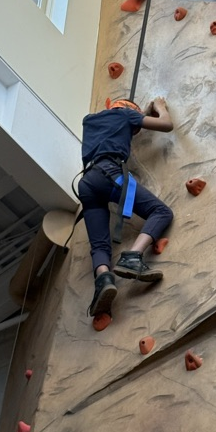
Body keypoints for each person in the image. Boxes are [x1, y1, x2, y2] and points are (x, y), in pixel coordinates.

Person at [78, 96, 174, 318]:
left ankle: (103, 279)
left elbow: (120, 126)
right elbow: (166, 125)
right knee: (161, 212)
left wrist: (136, 118)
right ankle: (133, 256)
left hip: (87, 183)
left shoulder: (89, 120)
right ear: (129, 111)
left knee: (99, 244)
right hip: (110, 174)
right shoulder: (125, 115)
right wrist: (159, 107)